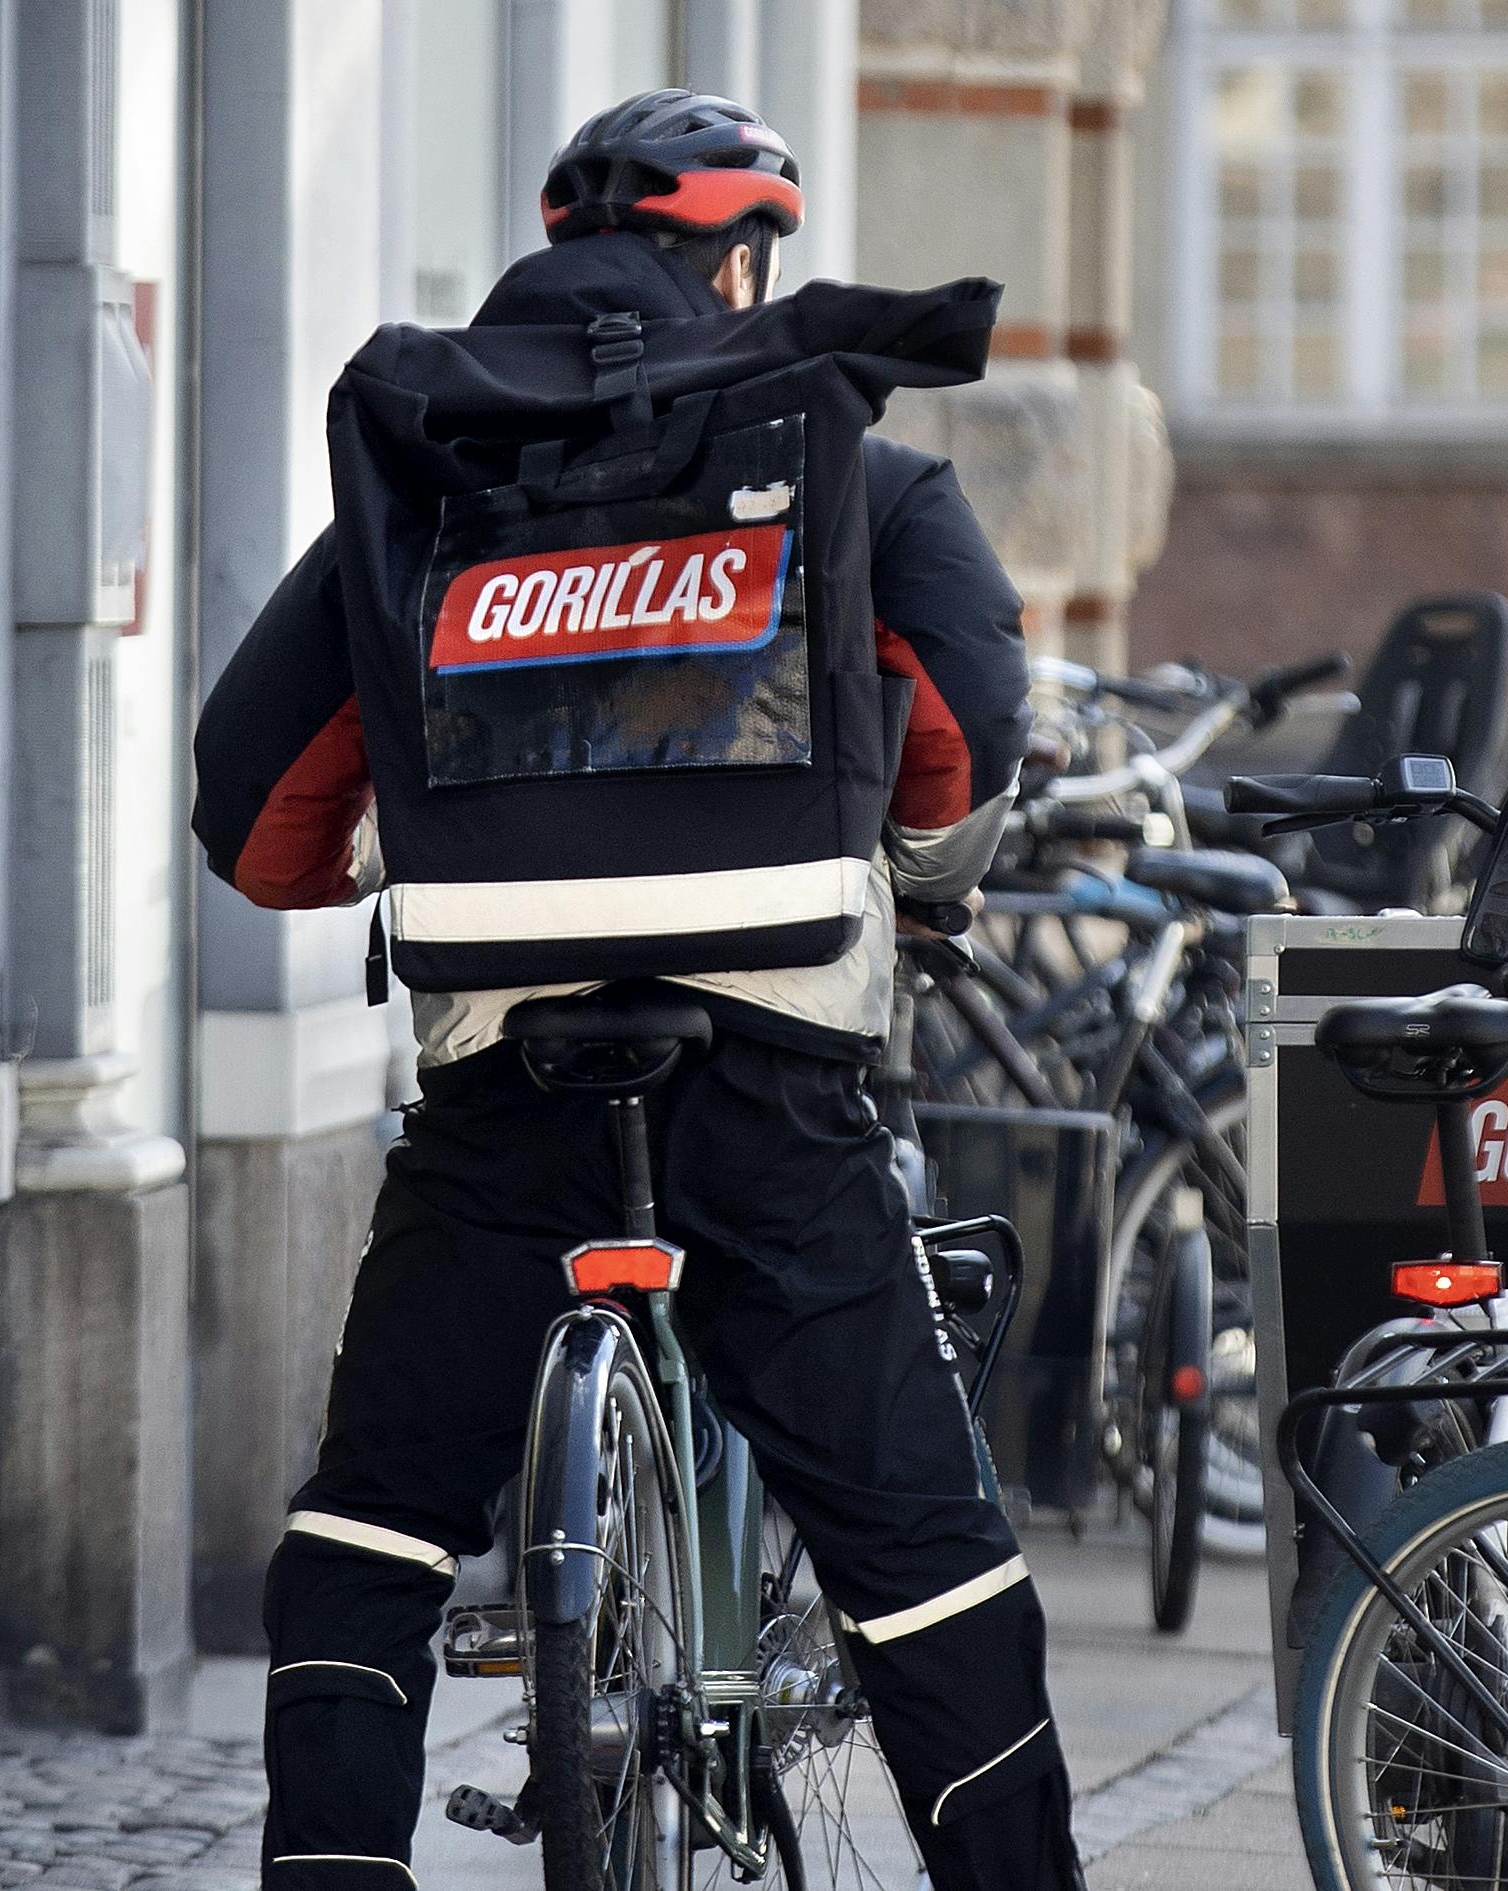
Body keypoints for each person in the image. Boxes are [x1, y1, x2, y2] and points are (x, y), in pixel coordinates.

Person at [191, 88, 1082, 1891]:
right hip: (771, 1095)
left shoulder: (429, 488)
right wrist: (913, 870)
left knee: (372, 1527)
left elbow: (252, 812)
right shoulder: (852, 474)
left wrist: (403, 846)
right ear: (739, 266)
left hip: (503, 1100)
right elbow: (971, 734)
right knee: (923, 1553)